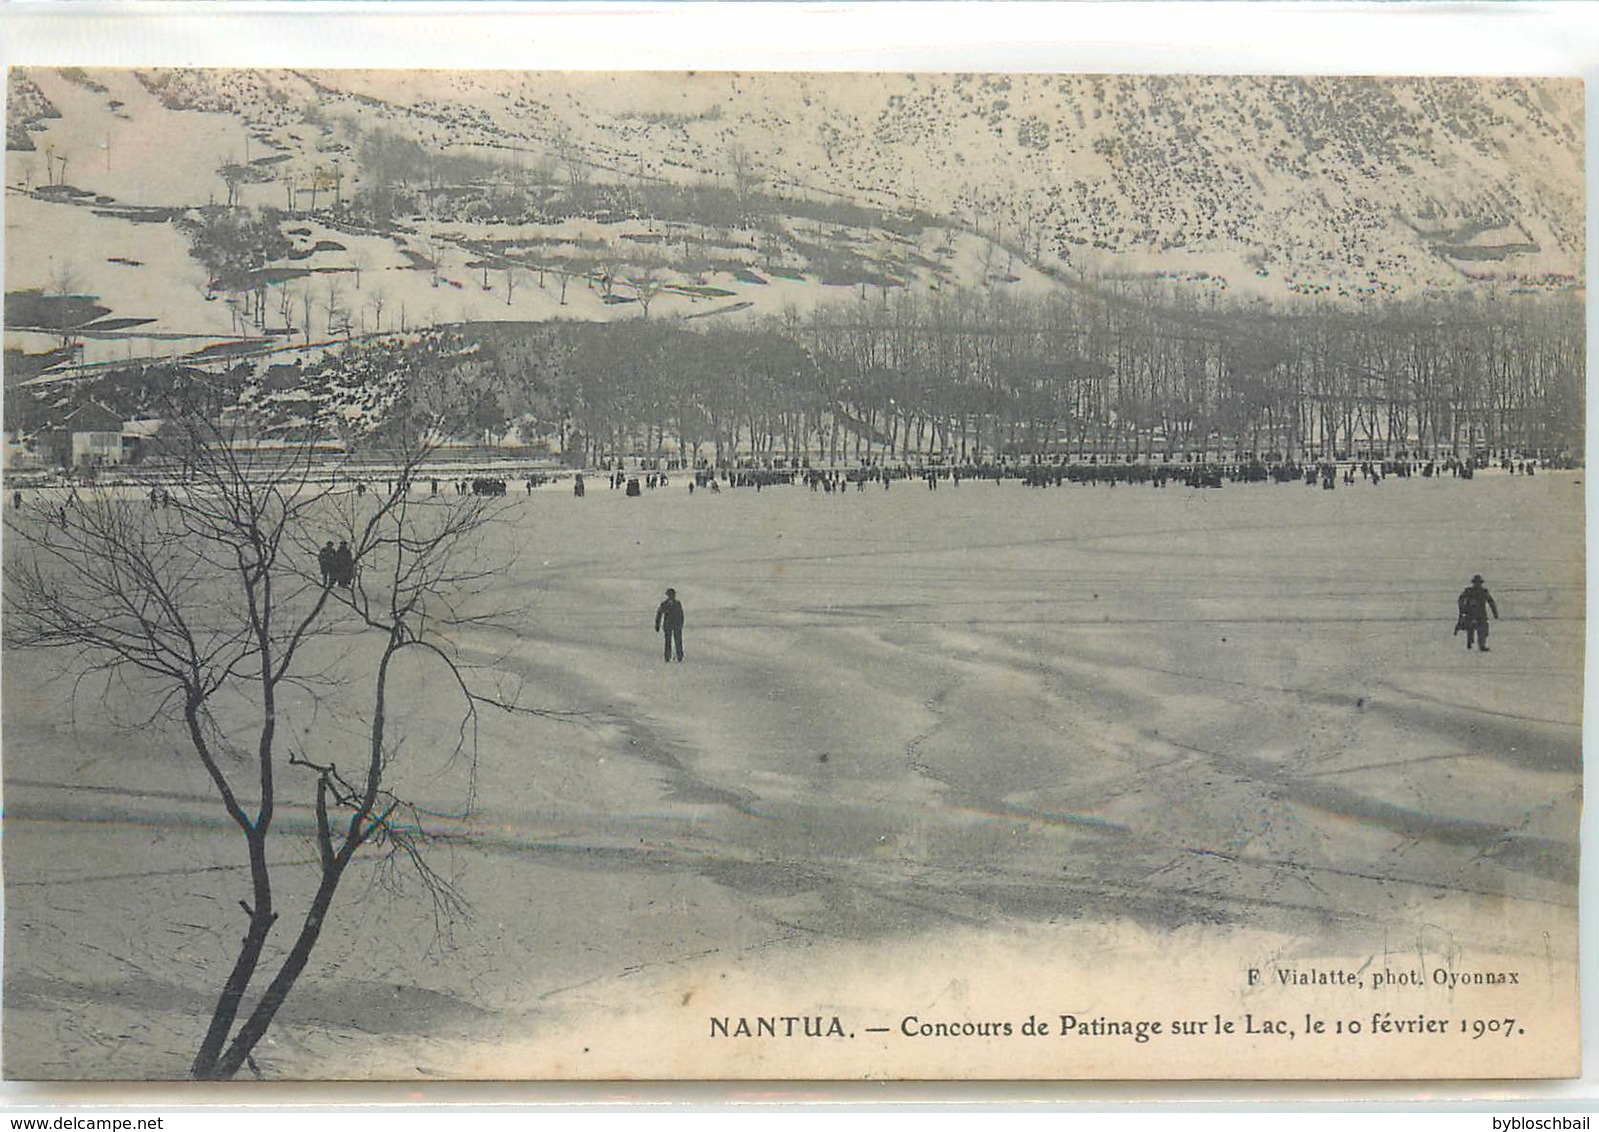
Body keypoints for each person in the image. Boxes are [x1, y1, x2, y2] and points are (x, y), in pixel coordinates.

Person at [1456, 574, 1499, 652]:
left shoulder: (1483, 592)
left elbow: (1491, 602)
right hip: (1471, 614)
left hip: (1481, 614)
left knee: (1482, 630)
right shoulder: (1469, 591)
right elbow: (1461, 599)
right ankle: (1470, 642)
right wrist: (1462, 608)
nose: (1477, 584)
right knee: (1471, 629)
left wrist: (1495, 613)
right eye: (1476, 582)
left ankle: (1481, 645)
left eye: (1478, 583)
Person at [655, 587, 685, 663]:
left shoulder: (678, 604)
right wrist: (657, 625)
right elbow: (659, 614)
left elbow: (681, 615)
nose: (672, 596)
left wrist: (681, 624)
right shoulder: (664, 604)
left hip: (676, 625)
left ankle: (679, 656)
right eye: (670, 595)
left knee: (678, 641)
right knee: (668, 641)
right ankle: (667, 657)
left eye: (673, 595)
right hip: (668, 625)